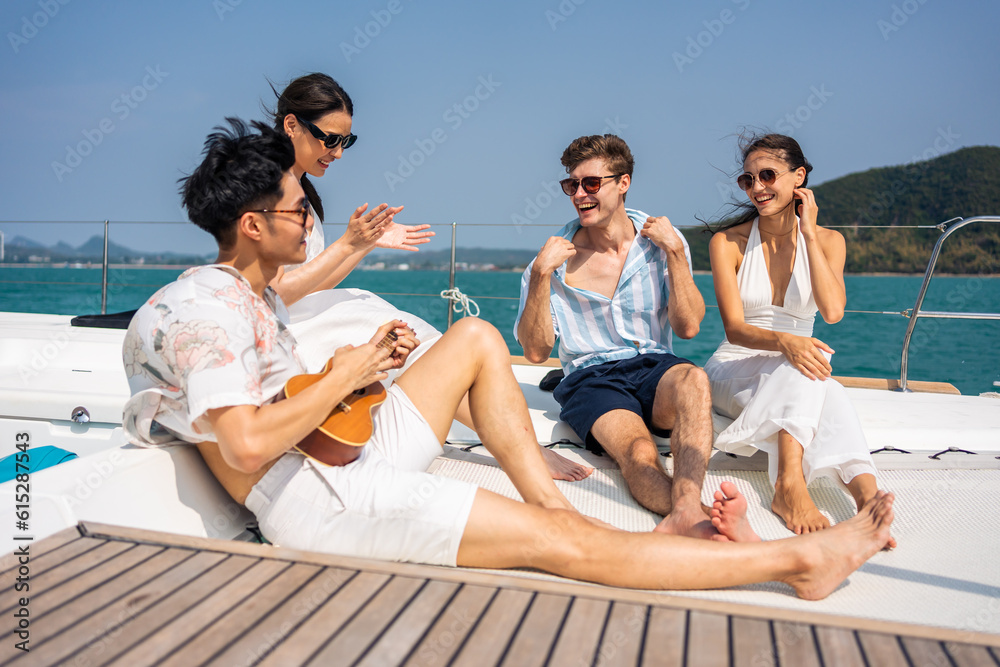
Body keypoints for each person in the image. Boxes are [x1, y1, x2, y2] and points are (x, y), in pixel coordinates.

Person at [121, 119, 895, 598]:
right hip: (317, 498)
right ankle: (798, 562)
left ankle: (553, 500)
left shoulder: (252, 294)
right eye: (298, 209)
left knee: (474, 340)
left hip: (339, 452)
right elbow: (247, 440)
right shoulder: (202, 312)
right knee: (566, 548)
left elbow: (267, 404)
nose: (310, 218)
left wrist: (355, 369)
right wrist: (353, 374)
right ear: (255, 225)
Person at [268, 73, 590, 482]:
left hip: (309, 314)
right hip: (289, 332)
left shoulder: (298, 188)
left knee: (424, 343)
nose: (338, 152)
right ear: (291, 125)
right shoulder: (274, 189)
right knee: (424, 346)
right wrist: (348, 245)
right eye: (330, 138)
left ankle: (519, 444)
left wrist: (363, 245)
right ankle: (522, 449)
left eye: (345, 142)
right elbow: (271, 293)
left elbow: (316, 284)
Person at [515, 134, 726, 539]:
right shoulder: (551, 261)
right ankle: (696, 518)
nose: (579, 194)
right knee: (638, 452)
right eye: (571, 185)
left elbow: (689, 327)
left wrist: (677, 254)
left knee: (694, 378)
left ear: (623, 183)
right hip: (591, 379)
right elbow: (537, 351)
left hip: (654, 367)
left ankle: (686, 513)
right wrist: (541, 276)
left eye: (590, 183)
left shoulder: (662, 244)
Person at [704, 132, 892, 543]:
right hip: (732, 367)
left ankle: (866, 496)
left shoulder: (828, 241)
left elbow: (833, 311)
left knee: (831, 390)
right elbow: (734, 329)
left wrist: (808, 233)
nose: (757, 188)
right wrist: (785, 342)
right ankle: (788, 485)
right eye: (747, 179)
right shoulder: (728, 242)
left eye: (768, 175)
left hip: (798, 366)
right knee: (808, 372)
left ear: (798, 177)